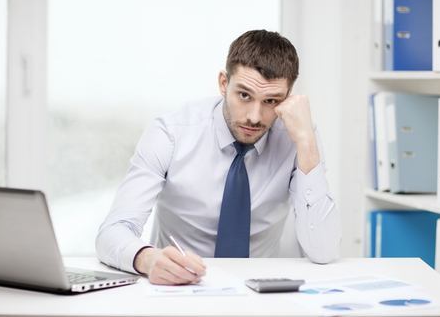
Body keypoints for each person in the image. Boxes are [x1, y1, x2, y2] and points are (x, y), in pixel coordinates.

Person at [96, 29, 341, 285]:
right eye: (244, 95)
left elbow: (323, 250)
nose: (254, 117)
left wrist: (306, 141)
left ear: (288, 99)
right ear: (224, 83)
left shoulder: (298, 137)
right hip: (178, 289)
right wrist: (148, 260)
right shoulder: (170, 133)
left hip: (260, 292)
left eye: (271, 101)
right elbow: (113, 231)